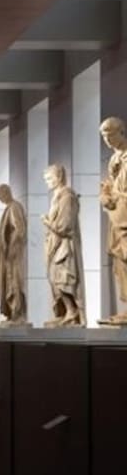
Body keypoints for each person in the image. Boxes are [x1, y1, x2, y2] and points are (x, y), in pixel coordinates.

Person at [42, 164, 85, 326]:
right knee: (55, 279)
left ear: (59, 177)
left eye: (49, 178)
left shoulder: (67, 197)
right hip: (55, 244)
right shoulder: (57, 197)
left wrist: (47, 222)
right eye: (46, 179)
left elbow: (65, 226)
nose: (47, 182)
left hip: (65, 246)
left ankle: (72, 311)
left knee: (63, 279)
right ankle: (66, 311)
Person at [99, 117, 127, 324]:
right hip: (117, 215)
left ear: (121, 132)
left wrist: (117, 196)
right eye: (104, 137)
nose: (107, 140)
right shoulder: (114, 159)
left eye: (110, 135)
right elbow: (110, 185)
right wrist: (105, 194)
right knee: (120, 261)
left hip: (124, 213)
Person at [0, 184, 28, 325]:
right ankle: (12, 312)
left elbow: (20, 229)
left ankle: (17, 313)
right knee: (8, 282)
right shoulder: (9, 208)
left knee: (13, 282)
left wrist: (12, 248)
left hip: (13, 255)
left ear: (6, 193)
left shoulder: (14, 207)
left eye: (1, 196)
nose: (1, 200)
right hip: (7, 255)